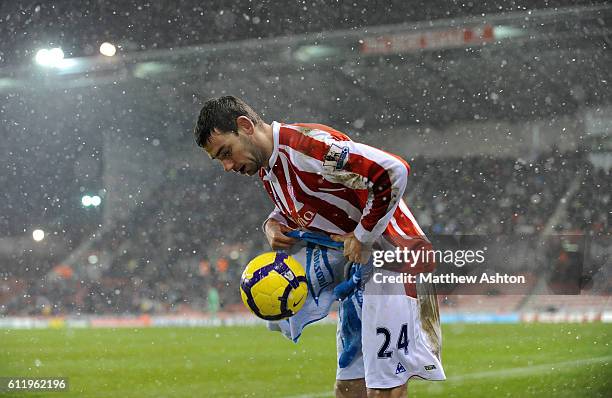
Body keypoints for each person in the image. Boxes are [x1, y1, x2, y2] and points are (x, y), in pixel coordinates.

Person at [193, 96, 445, 398]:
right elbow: (299, 206)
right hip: (358, 272)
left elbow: (392, 171)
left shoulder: (308, 148)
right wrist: (271, 224)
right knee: (349, 388)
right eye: (219, 159)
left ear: (245, 126)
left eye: (226, 152)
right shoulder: (268, 168)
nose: (227, 166)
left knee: (384, 389)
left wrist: (362, 235)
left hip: (393, 260)